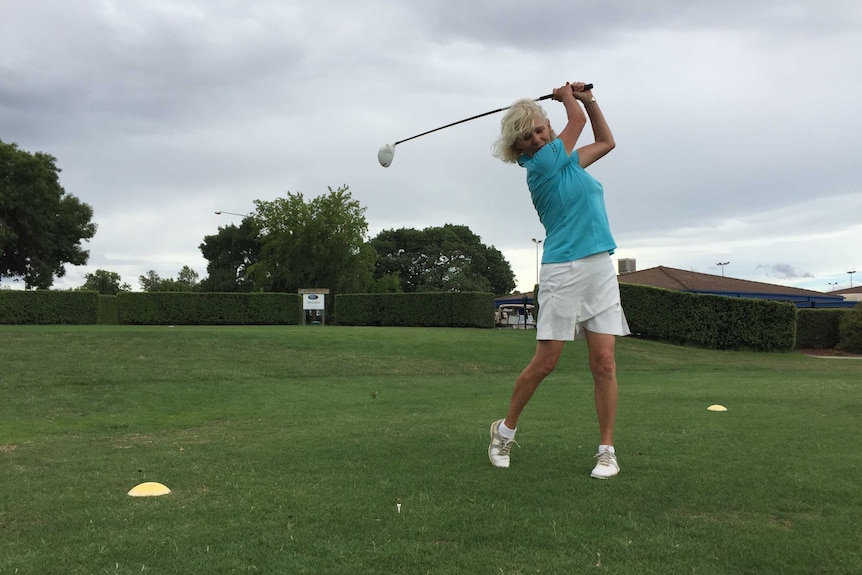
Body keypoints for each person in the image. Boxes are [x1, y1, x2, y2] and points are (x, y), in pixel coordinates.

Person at [488, 81, 630, 479]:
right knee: (546, 362)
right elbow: (577, 120)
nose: (537, 136)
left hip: (600, 265)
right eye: (528, 135)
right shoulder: (543, 165)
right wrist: (568, 95)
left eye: (540, 128)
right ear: (521, 148)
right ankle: (504, 431)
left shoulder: (567, 161)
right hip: (563, 270)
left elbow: (605, 141)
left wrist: (590, 99)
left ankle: (606, 450)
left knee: (604, 362)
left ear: (547, 127)